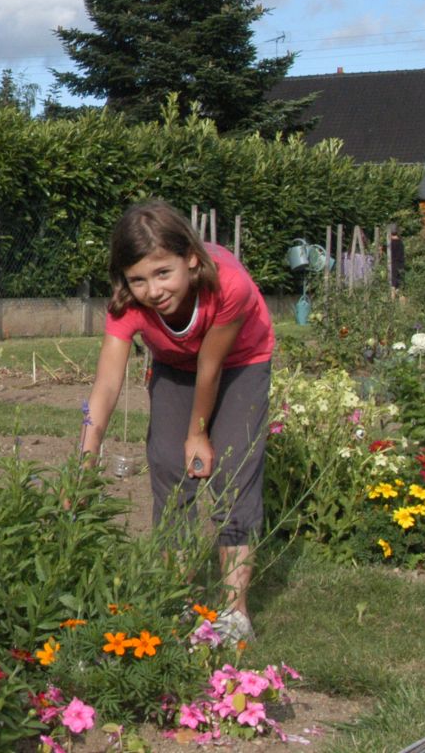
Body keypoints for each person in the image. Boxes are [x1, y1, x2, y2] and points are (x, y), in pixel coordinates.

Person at [79, 199, 274, 642]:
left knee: (232, 469)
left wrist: (199, 434)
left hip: (241, 360)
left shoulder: (229, 285)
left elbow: (211, 365)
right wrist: (85, 461)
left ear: (190, 258)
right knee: (168, 464)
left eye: (163, 273)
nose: (153, 290)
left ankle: (234, 613)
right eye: (138, 279)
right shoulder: (128, 304)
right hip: (174, 365)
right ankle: (176, 597)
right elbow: (107, 385)